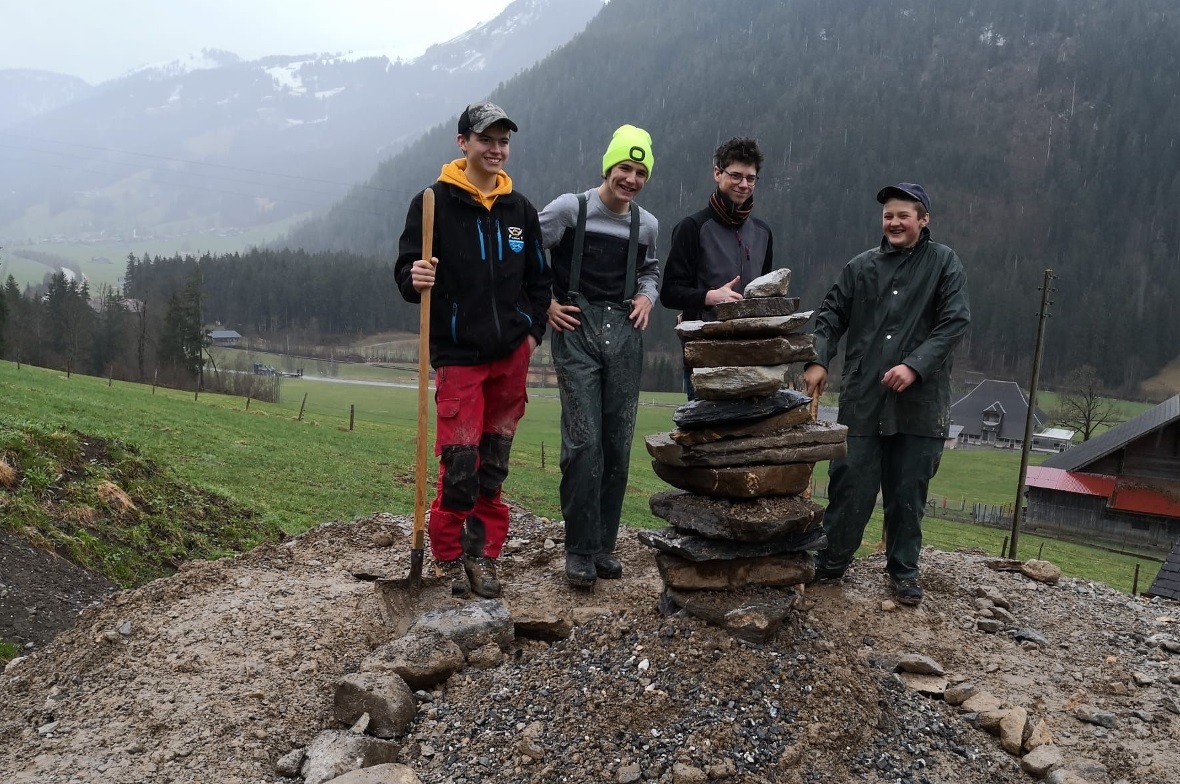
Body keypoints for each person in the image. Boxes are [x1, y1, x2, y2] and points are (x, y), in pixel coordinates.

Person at [394, 101, 551, 599]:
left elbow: (539, 280)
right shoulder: (432, 202)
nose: (496, 149)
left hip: (510, 355)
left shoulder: (520, 210)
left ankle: (482, 554)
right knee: (460, 462)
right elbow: (406, 269)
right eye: (486, 139)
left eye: (503, 141)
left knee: (494, 460)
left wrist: (529, 334)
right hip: (458, 353)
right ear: (463, 143)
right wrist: (412, 277)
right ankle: (445, 555)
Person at [802, 183, 970, 606]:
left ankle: (904, 571)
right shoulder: (860, 268)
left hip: (921, 403)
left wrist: (914, 365)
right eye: (888, 216)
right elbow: (830, 315)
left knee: (908, 492)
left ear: (923, 219)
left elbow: (954, 322)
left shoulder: (945, 264)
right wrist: (818, 360)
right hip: (864, 398)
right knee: (850, 483)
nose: (894, 223)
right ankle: (832, 561)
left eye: (904, 216)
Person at [539, 124, 660, 589]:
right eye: (624, 168)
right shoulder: (570, 209)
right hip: (576, 329)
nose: (630, 178)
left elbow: (650, 270)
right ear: (608, 167)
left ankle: (603, 546)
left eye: (640, 172)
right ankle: (578, 548)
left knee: (616, 445)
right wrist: (545, 301)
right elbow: (529, 253)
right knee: (584, 443)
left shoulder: (646, 224)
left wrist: (648, 296)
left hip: (626, 335)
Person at [660, 137, 774, 397]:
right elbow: (669, 292)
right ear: (717, 173)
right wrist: (710, 297)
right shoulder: (692, 227)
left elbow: (767, 295)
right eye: (735, 175)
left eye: (751, 178)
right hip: (704, 357)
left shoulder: (763, 233)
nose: (743, 185)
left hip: (752, 357)